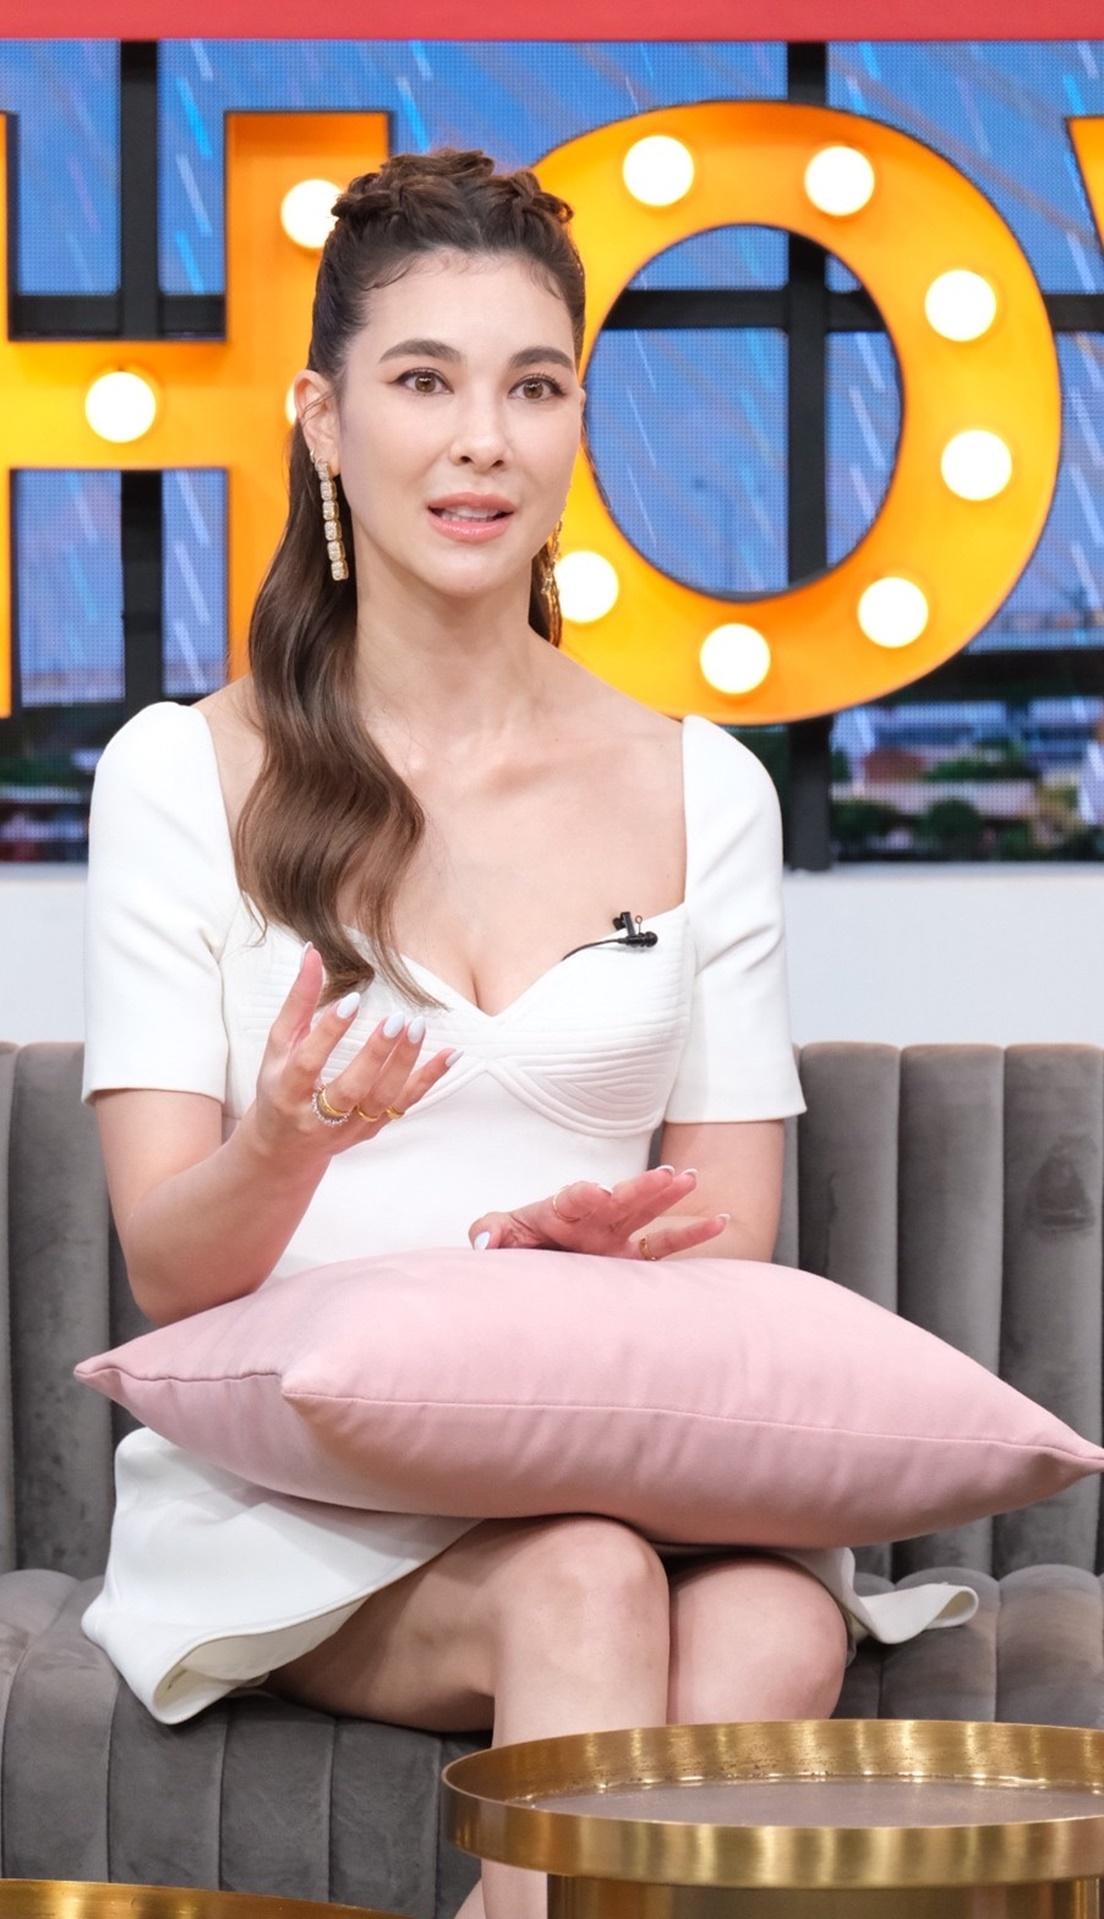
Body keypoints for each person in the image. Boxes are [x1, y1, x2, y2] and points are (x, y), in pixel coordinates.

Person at [78, 147, 978, 1919]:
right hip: (308, 1508)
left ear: (575, 423)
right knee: (580, 1585)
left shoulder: (702, 787)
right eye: (425, 382)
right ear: (325, 423)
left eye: (534, 387)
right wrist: (284, 1147)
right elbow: (170, 1274)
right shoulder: (181, 774)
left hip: (620, 1456)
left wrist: (609, 1259)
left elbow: (732, 1227)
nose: (482, 441)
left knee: (777, 1627)